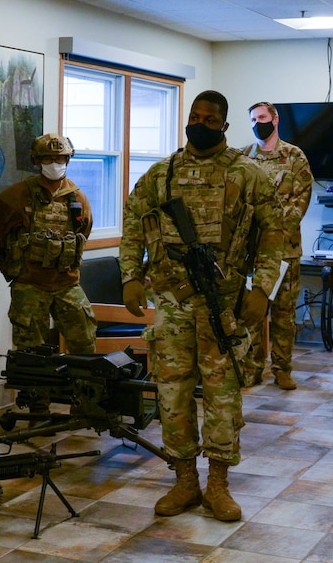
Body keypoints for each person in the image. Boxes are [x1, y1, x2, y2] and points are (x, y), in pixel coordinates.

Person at [118, 91, 284, 521]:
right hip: (172, 303)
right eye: (194, 116)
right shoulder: (161, 173)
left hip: (224, 303)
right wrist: (131, 277)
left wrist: (262, 289)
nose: (199, 123)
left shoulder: (248, 174)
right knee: (171, 393)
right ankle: (185, 480)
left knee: (222, 396)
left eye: (210, 119)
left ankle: (219, 484)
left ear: (225, 126)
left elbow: (272, 235)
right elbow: (134, 223)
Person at [0, 133, 97, 355]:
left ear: (68, 160)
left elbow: (83, 234)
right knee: (31, 353)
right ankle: (33, 391)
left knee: (85, 343)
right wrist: (14, 270)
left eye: (60, 159)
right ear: (36, 162)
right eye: (48, 159)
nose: (55, 164)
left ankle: (80, 389)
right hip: (30, 286)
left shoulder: (78, 198)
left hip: (67, 284)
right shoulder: (15, 196)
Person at [242, 101, 313, 390]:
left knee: (284, 313)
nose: (258, 123)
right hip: (252, 252)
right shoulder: (243, 156)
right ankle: (252, 367)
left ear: (275, 119)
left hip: (285, 249)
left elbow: (301, 199)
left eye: (262, 117)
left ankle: (282, 369)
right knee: (253, 311)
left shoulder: (294, 156)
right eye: (253, 119)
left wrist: (273, 229)